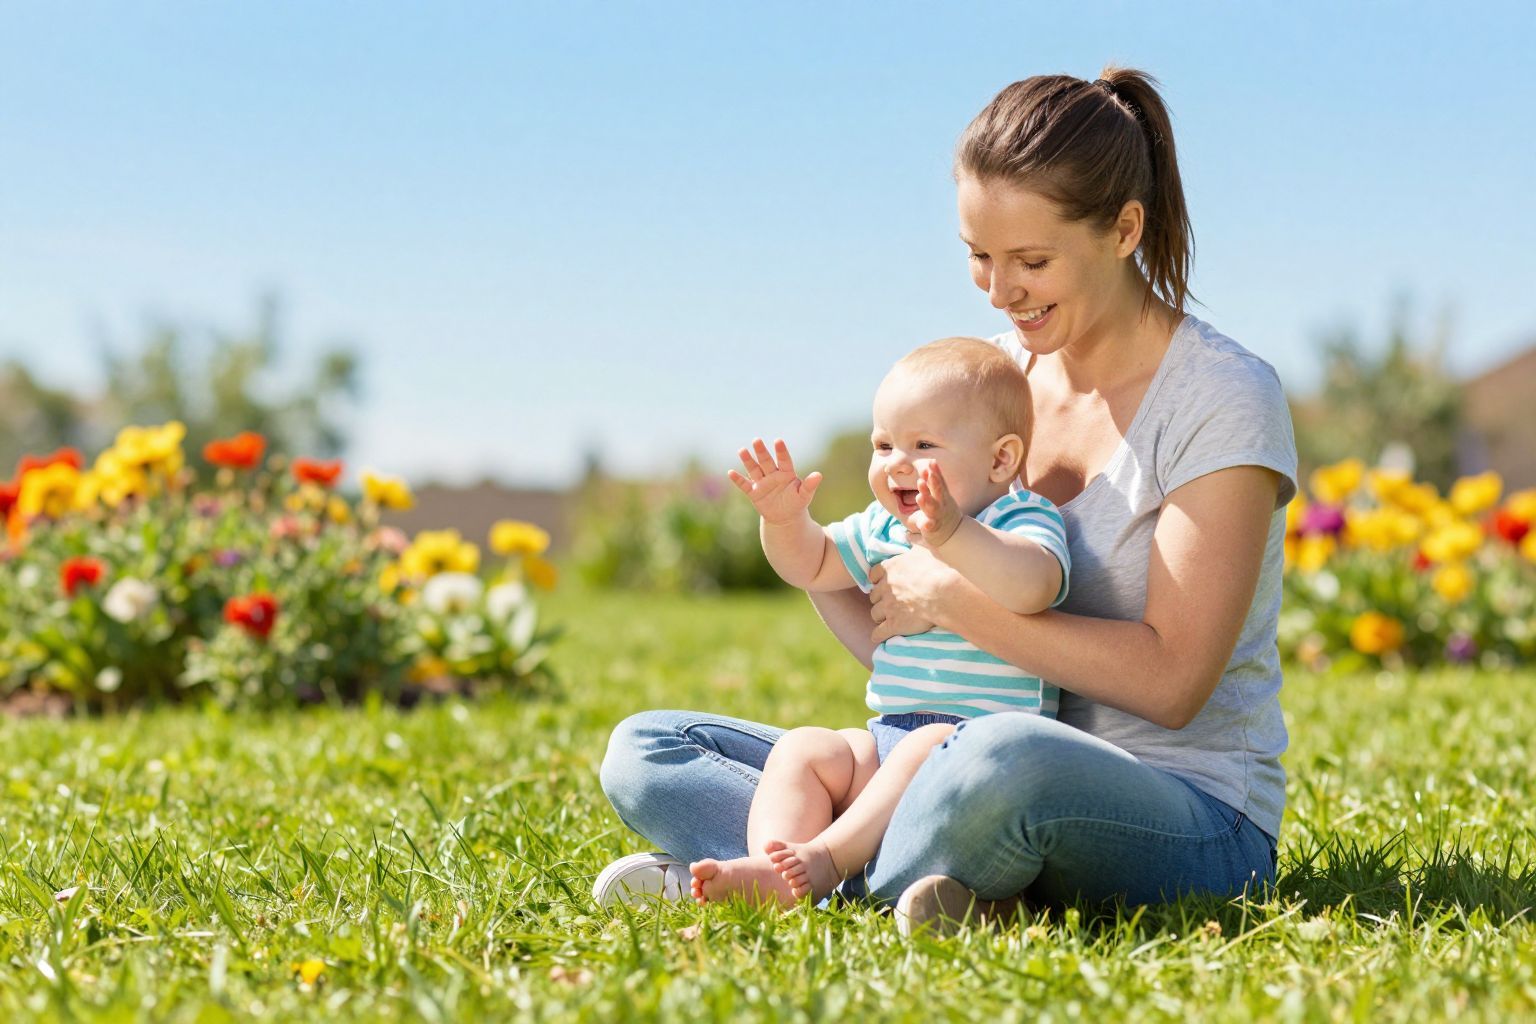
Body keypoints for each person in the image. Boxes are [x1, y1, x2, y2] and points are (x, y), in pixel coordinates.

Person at [595, 65, 1294, 934]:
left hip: (1180, 810)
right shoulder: (984, 383)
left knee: (997, 756)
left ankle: (821, 870)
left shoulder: (1221, 396)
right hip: (947, 754)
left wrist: (957, 604)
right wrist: (817, 552)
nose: (1001, 292)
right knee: (650, 752)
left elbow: (1175, 683)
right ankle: (907, 879)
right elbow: (920, 653)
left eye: (1032, 261)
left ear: (1124, 230)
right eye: (979, 257)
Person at [690, 337, 1071, 907]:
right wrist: (786, 521)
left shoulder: (1019, 517)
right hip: (887, 742)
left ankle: (828, 862)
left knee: (930, 743)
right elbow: (814, 564)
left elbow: (1034, 586)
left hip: (975, 765)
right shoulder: (883, 527)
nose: (896, 462)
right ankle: (774, 868)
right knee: (804, 749)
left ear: (1000, 459)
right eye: (883, 443)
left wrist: (951, 537)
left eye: (922, 444)